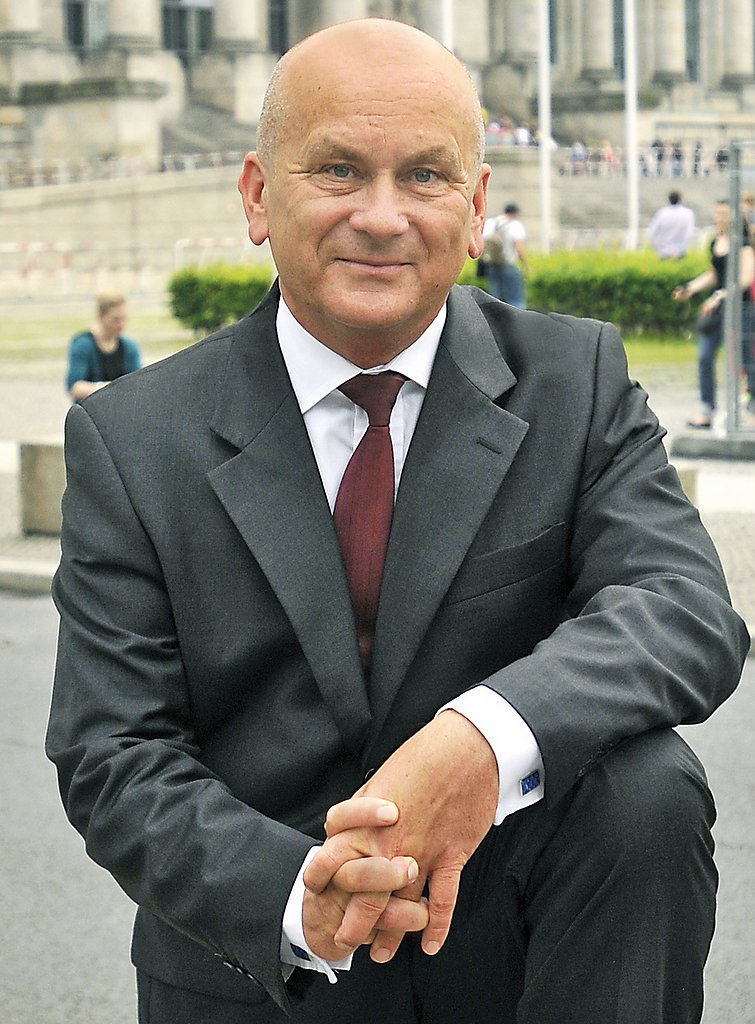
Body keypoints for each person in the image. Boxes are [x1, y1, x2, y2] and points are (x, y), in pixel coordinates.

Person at [45, 19, 749, 1024]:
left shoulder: (574, 379)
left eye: (424, 176)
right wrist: (300, 897)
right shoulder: (133, 438)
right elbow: (113, 753)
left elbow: (681, 608)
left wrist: (479, 740)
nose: (381, 218)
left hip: (521, 948)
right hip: (267, 968)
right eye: (338, 169)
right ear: (256, 194)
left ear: (475, 208)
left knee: (647, 786)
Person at [673, 198, 755, 426]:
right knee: (705, 356)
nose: (720, 218)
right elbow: (714, 274)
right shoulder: (716, 241)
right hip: (717, 309)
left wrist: (721, 295)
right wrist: (690, 288)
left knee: (746, 359)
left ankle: (752, 407)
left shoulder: (743, 243)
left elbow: (746, 278)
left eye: (724, 213)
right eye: (717, 213)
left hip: (740, 308)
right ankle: (707, 408)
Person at [65, 292, 142, 401]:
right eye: (115, 319)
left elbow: (138, 382)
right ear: (100, 317)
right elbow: (74, 388)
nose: (121, 324)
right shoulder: (83, 345)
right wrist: (106, 388)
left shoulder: (130, 346)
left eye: (124, 318)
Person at [483, 203, 530, 307]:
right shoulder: (515, 225)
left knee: (495, 298)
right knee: (515, 299)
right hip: (508, 264)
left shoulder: (491, 223)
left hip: (492, 264)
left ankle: (494, 316)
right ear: (515, 213)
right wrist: (526, 265)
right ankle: (517, 317)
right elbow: (519, 247)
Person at [647, 190, 695, 259]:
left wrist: (657, 249)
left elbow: (652, 233)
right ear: (680, 199)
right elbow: (688, 234)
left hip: (663, 253)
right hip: (680, 253)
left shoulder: (662, 213)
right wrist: (680, 249)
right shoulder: (687, 213)